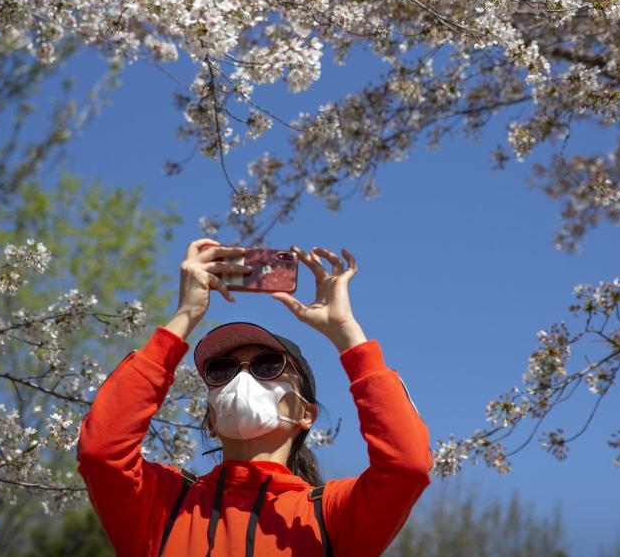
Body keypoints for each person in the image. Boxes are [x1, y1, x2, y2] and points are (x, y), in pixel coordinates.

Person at [76, 238, 433, 557]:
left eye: (267, 365)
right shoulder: (166, 505)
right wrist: (185, 316)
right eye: (222, 371)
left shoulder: (329, 517)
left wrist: (346, 334)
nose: (242, 376)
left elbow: (407, 465)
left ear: (306, 414)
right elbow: (101, 452)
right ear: (212, 419)